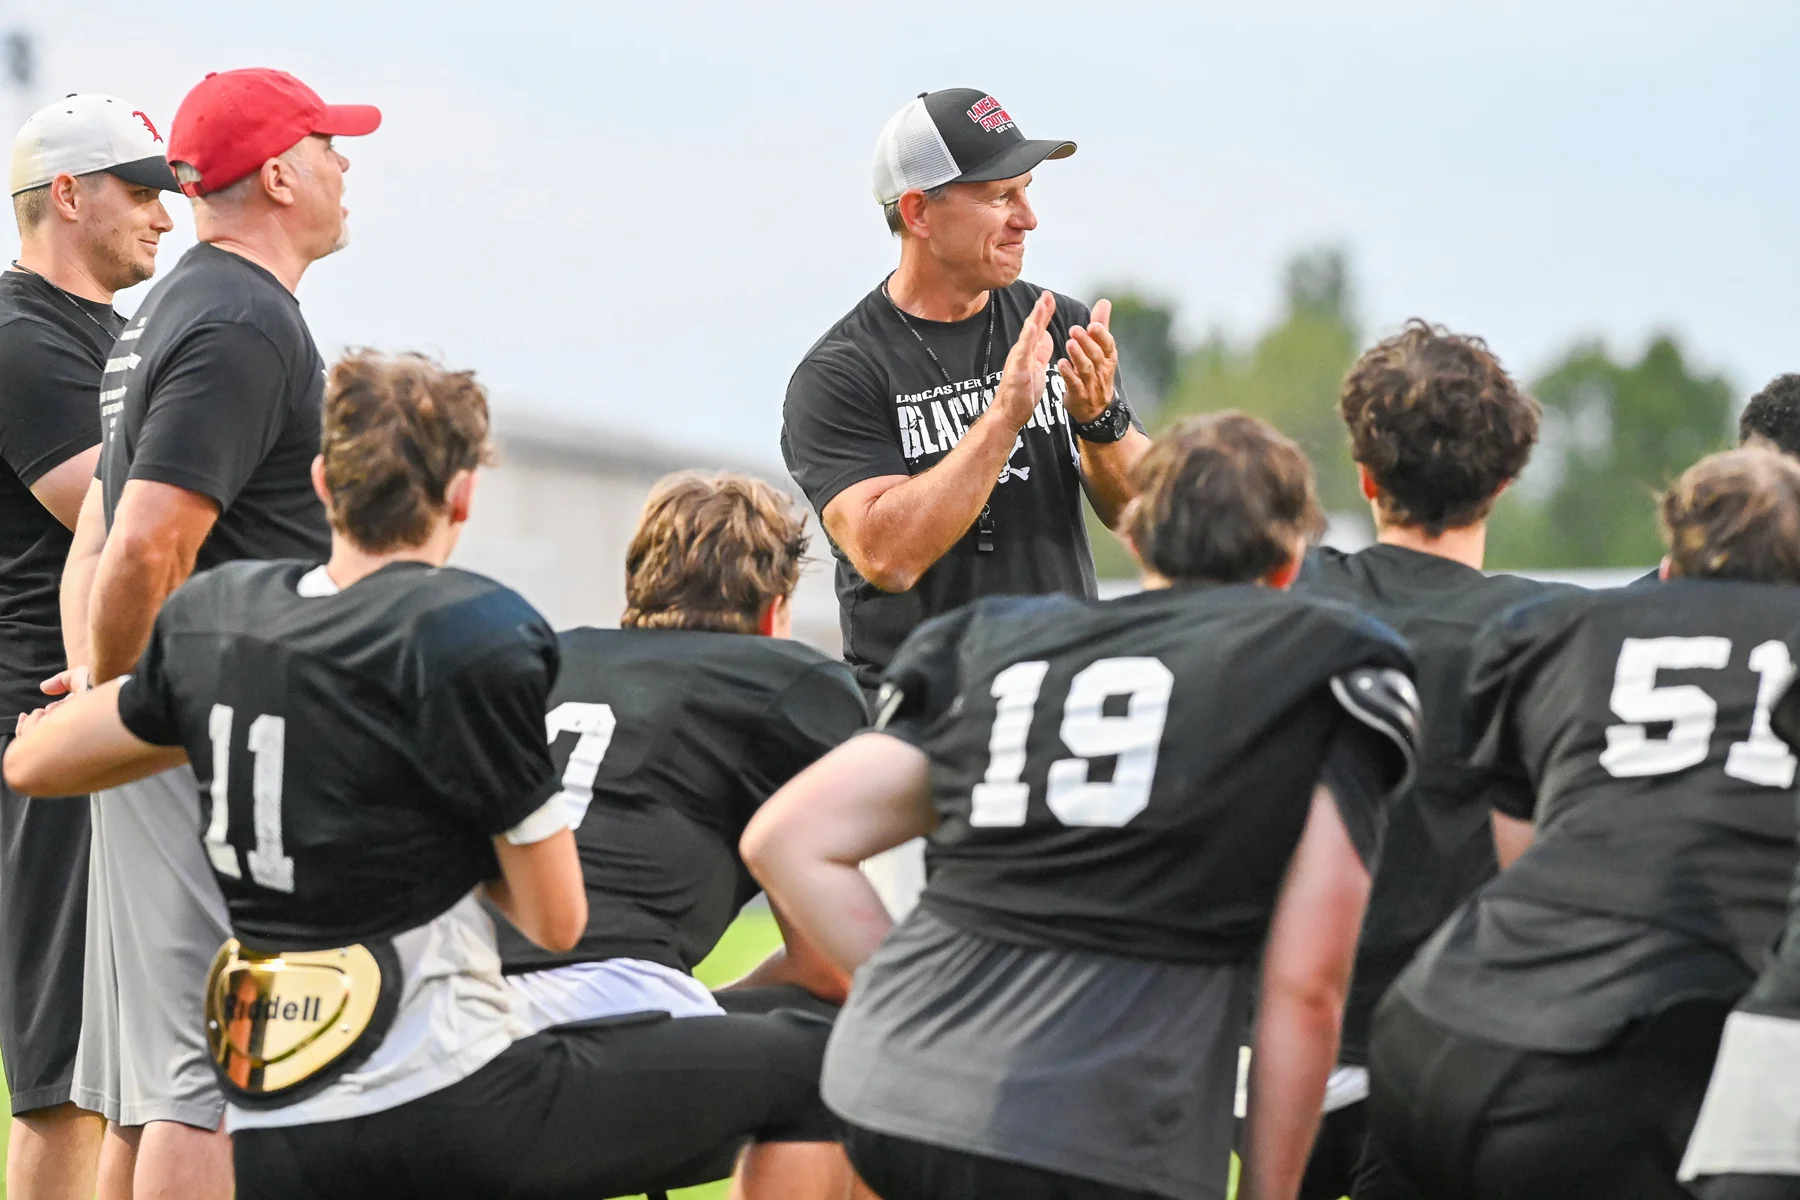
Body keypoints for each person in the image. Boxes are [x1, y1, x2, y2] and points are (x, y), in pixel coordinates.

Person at [7, 350, 858, 1200]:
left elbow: (33, 762)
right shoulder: (465, 634)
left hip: (274, 1090)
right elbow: (558, 920)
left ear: (321, 483)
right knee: (825, 1065)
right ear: (462, 496)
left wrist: (136, 696)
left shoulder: (220, 620)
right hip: (429, 1078)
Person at [746, 412, 1423, 1200]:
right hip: (1098, 1128)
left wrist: (903, 986)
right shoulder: (1311, 662)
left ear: (1136, 540)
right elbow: (1305, 987)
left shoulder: (998, 643)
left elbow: (788, 839)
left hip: (892, 1095)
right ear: (1288, 566)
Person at [51, 68, 380, 1200]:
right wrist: (138, 700)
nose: (348, 166)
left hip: (165, 727)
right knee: (212, 1073)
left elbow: (96, 530)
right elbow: (142, 542)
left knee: (153, 1088)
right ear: (281, 173)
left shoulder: (175, 311)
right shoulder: (242, 318)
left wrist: (104, 686)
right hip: (205, 735)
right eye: (331, 146)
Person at [1366, 446, 1800, 1200]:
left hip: (1433, 1023)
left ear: (1670, 565)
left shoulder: (1561, 628)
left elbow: (1520, 855)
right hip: (1611, 1064)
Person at [781, 87, 1149, 913]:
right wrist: (1004, 418)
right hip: (923, 741)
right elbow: (885, 552)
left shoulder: (1058, 323)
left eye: (1027, 193)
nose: (1027, 219)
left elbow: (1145, 516)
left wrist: (1104, 417)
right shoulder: (839, 374)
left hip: (1060, 718)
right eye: (999, 198)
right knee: (927, 990)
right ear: (918, 211)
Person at [493, 470, 872, 1196]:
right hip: (583, 1027)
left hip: (439, 1008)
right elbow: (830, 973)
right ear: (774, 611)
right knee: (852, 1053)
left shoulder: (545, 661)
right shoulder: (784, 681)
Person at [1291, 319, 1566, 1199]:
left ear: (1366, 476)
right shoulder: (1559, 634)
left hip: (1290, 1044)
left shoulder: (1290, 597)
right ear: (1506, 480)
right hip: (1465, 1052)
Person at [0, 93, 176, 1200]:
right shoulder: (20, 336)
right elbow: (111, 525)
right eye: (143, 188)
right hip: (49, 711)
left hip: (111, 712)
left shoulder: (119, 336)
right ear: (68, 196)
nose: (166, 214)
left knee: (133, 1070)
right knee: (64, 1071)